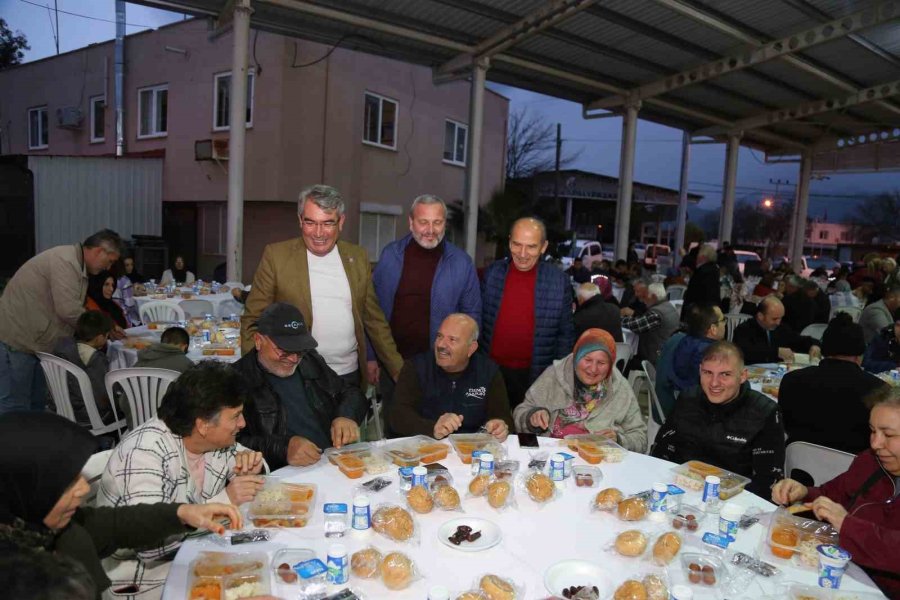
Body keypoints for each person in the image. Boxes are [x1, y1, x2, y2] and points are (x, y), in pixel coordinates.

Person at [0, 411, 243, 598]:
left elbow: (112, 524)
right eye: (67, 482)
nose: (84, 489)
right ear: (27, 488)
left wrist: (181, 512)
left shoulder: (37, 526)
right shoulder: (20, 581)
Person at [98, 362, 265, 597]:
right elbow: (150, 546)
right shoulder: (144, 455)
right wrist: (225, 499)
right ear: (203, 425)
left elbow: (248, 465)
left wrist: (253, 466)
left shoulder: (209, 441)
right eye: (236, 416)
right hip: (146, 579)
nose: (243, 424)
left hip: (198, 553)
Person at [241, 184, 403, 388]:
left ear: (341, 222)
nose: (319, 233)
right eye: (310, 222)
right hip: (296, 375)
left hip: (348, 375)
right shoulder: (276, 257)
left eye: (328, 223)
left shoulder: (358, 257)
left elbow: (374, 320)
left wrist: (398, 370)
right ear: (300, 220)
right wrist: (254, 374)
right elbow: (252, 320)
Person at [771, 387, 900, 598]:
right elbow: (832, 494)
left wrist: (847, 524)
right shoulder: (870, 462)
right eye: (872, 431)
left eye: (888, 434)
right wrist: (803, 493)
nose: (876, 444)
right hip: (841, 572)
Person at [370, 194, 481, 405]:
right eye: (423, 222)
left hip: (441, 368)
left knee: (437, 431)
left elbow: (472, 316)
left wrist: (460, 361)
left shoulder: (461, 263)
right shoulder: (390, 256)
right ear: (411, 223)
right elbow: (372, 312)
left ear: (444, 224)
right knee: (396, 430)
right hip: (393, 364)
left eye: (437, 222)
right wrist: (370, 357)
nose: (430, 230)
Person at [0, 229, 124, 414]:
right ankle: (11, 443)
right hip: (18, 340)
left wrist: (107, 326)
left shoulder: (75, 263)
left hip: (36, 342)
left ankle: (29, 442)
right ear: (99, 251)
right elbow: (68, 309)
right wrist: (102, 328)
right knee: (15, 405)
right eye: (110, 261)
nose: (108, 268)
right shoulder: (65, 262)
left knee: (36, 404)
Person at [232, 302, 367, 469]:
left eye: (300, 350)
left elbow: (350, 392)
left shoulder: (309, 360)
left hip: (331, 461)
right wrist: (282, 448)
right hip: (281, 475)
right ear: (259, 341)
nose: (294, 359)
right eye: (284, 351)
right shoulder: (236, 379)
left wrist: (347, 415)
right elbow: (229, 443)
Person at [652, 341, 785, 496]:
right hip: (679, 491)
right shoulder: (688, 399)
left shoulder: (765, 412)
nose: (714, 383)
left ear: (742, 376)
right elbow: (660, 452)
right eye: (708, 373)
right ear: (700, 371)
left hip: (733, 501)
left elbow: (768, 482)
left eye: (725, 374)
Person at [481, 217, 574, 409]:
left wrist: (557, 379)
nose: (522, 254)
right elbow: (478, 322)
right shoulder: (492, 274)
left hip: (537, 377)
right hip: (491, 373)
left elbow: (565, 335)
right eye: (517, 244)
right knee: (490, 431)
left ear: (543, 247)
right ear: (509, 242)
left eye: (531, 247)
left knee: (527, 435)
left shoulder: (559, 281)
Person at [513, 329, 647, 452]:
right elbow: (520, 413)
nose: (593, 369)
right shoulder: (554, 375)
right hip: (551, 454)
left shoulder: (619, 388)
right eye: (587, 359)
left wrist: (618, 440)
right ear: (576, 357)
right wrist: (532, 417)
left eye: (601, 363)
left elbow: (640, 438)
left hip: (598, 461)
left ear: (610, 364)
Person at [389, 314, 512, 440]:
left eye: (452, 340)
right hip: (426, 446)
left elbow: (503, 417)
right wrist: (432, 428)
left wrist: (499, 426)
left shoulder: (488, 371)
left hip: (473, 449)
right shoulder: (416, 367)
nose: (441, 345)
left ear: (471, 348)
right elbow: (397, 417)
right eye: (439, 336)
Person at [779, 314, 889, 454]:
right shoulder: (879, 391)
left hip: (799, 466)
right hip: (854, 470)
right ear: (860, 353)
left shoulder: (791, 380)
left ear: (824, 349)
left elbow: (786, 427)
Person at [656, 304, 726, 421]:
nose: (725, 324)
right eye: (723, 320)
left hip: (663, 402)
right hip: (689, 412)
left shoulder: (678, 339)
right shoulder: (710, 353)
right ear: (713, 329)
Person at [51, 311, 114, 427]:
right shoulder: (95, 360)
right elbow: (102, 397)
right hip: (89, 416)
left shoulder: (63, 349)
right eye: (107, 336)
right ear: (100, 337)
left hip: (61, 410)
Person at [732, 296, 821, 365]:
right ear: (760, 316)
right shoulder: (744, 329)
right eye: (774, 319)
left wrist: (814, 345)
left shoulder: (781, 328)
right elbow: (746, 352)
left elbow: (799, 340)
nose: (778, 322)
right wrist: (776, 352)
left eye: (780, 318)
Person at [620, 282, 679, 366]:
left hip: (655, 358)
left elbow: (635, 325)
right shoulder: (669, 306)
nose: (644, 300)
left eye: (646, 296)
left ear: (654, 297)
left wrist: (617, 318)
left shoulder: (657, 313)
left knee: (626, 362)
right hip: (667, 353)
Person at [681, 244, 720, 317]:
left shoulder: (702, 271)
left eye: (699, 254)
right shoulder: (714, 270)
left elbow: (697, 292)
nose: (697, 257)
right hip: (709, 310)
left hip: (699, 310)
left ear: (703, 257)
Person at [114, 256, 143, 327]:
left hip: (112, 315)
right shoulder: (125, 281)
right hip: (124, 319)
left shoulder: (111, 278)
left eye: (132, 264)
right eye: (127, 265)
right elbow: (129, 305)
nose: (130, 267)